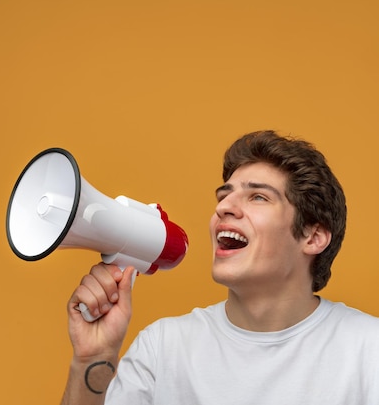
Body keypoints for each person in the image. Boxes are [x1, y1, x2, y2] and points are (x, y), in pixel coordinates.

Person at [60, 130, 379, 405]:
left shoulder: (368, 350)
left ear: (313, 236)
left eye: (257, 197)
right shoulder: (163, 347)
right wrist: (92, 358)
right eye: (224, 196)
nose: (223, 207)